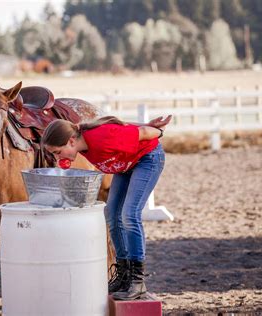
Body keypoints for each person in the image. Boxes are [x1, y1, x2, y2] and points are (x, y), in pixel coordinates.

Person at [41, 115, 172, 300]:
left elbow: (142, 133)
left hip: (147, 159)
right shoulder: (82, 143)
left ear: (71, 141)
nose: (57, 157)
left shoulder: (101, 138)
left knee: (130, 214)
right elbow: (122, 127)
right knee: (111, 214)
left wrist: (158, 130)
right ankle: (124, 276)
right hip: (125, 165)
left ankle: (137, 281)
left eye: (57, 151)